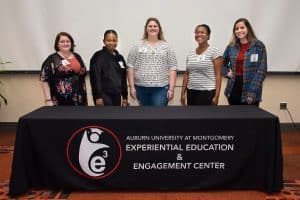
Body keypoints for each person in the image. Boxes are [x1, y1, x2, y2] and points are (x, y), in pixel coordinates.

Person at [127, 17, 177, 106]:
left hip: (160, 89)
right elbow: (130, 67)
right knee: (144, 117)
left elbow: (172, 68)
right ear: (146, 29)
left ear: (159, 29)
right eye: (150, 26)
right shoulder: (136, 46)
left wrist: (171, 89)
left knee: (158, 117)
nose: (152, 28)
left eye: (155, 26)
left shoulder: (167, 47)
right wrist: (132, 87)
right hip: (141, 88)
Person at [223, 18, 267, 106]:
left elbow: (261, 71)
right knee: (234, 117)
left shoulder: (258, 46)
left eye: (242, 27)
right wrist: (226, 72)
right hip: (233, 87)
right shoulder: (231, 46)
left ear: (248, 29)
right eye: (237, 29)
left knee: (250, 118)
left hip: (250, 87)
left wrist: (252, 92)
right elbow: (222, 63)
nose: (239, 30)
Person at [40, 32, 87, 106]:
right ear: (57, 44)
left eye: (68, 41)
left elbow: (82, 74)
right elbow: (44, 80)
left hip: (80, 99)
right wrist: (48, 100)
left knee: (81, 117)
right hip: (60, 101)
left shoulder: (77, 56)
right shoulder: (52, 59)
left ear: (71, 43)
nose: (65, 43)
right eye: (62, 41)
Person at [181, 24, 223, 106]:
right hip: (191, 91)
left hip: (207, 92)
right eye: (196, 32)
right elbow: (187, 74)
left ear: (208, 36)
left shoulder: (214, 51)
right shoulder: (191, 53)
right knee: (192, 117)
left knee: (206, 118)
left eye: (202, 32)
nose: (199, 34)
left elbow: (218, 75)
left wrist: (217, 96)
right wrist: (182, 93)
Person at [89, 30, 128, 106]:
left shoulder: (120, 58)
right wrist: (98, 96)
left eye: (114, 40)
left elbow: (123, 79)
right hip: (103, 96)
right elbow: (95, 78)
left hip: (116, 95)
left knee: (116, 117)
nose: (111, 43)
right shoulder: (97, 56)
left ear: (117, 41)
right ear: (104, 41)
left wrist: (125, 97)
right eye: (108, 40)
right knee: (105, 117)